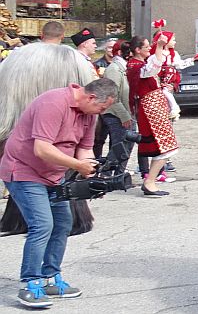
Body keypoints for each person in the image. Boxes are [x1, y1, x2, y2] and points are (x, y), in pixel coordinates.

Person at [0, 79, 117, 308]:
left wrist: (91, 175)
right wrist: (77, 165)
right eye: (102, 108)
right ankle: (30, 284)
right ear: (91, 97)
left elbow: (84, 150)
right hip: (23, 171)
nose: (101, 113)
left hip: (55, 175)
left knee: (63, 224)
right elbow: (41, 149)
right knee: (42, 225)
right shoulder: (53, 103)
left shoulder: (89, 114)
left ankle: (50, 278)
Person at [126, 35, 179, 195]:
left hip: (154, 107)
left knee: (165, 147)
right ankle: (149, 181)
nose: (149, 48)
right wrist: (159, 47)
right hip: (150, 109)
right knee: (165, 147)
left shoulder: (139, 64)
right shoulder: (135, 66)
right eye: (147, 46)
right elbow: (153, 68)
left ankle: (150, 180)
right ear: (137, 50)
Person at [94, 39, 133, 160]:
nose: (131, 54)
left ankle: (116, 173)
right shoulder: (114, 69)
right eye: (129, 51)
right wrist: (124, 115)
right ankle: (108, 173)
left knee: (122, 146)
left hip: (123, 113)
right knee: (118, 147)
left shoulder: (124, 67)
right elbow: (112, 95)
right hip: (115, 114)